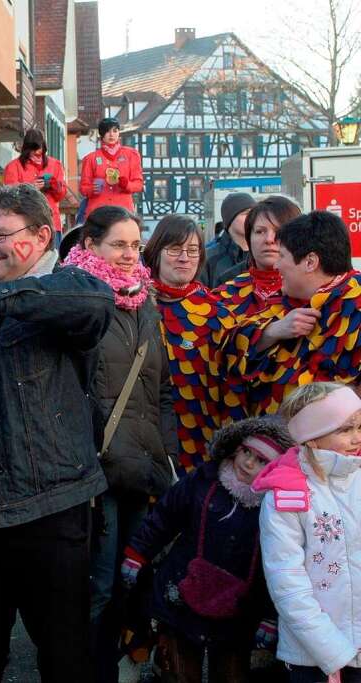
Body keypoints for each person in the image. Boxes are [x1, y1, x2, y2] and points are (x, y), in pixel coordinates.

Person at [0, 184, 115, 682]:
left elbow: (95, 306)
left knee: (63, 653)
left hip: (50, 508)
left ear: (39, 236)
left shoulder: (67, 285)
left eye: (0, 235)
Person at [63, 205, 177, 682]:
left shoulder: (143, 300)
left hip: (142, 463)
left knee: (136, 574)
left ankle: (129, 659)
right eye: (118, 244)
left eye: (135, 244)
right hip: (97, 467)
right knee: (101, 583)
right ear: (90, 246)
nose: (130, 255)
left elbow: (162, 389)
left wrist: (164, 450)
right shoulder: (75, 299)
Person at [121, 417, 291, 683]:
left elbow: (280, 566)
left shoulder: (277, 507)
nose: (248, 463)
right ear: (235, 447)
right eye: (247, 452)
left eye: (261, 461)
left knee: (231, 674)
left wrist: (270, 616)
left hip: (238, 609)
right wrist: (138, 552)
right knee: (178, 672)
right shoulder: (205, 480)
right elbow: (165, 515)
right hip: (182, 594)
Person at [253, 382, 361, 681]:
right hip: (315, 656)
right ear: (313, 438)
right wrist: (332, 653)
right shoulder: (286, 495)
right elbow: (287, 583)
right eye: (345, 429)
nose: (357, 438)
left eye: (359, 426)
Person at [224, 211, 361, 418]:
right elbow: (231, 352)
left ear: (310, 262)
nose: (276, 265)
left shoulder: (354, 304)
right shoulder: (285, 299)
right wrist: (271, 333)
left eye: (282, 256)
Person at [144, 216, 234, 471]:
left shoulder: (217, 312)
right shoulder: (136, 305)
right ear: (156, 252)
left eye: (192, 250)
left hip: (201, 440)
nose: (185, 258)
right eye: (174, 249)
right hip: (148, 440)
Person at [213, 195, 302, 320]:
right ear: (249, 238)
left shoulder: (314, 289)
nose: (269, 240)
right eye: (260, 231)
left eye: (279, 231)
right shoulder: (225, 292)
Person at [3, 129, 68, 237]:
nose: (37, 152)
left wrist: (53, 185)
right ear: (26, 148)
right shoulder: (13, 166)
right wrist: (30, 187)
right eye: (33, 148)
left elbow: (61, 195)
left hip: (51, 222)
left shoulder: (55, 165)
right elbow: (8, 195)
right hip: (24, 224)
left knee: (53, 254)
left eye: (39, 147)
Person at [80, 117, 144, 216]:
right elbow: (83, 188)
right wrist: (93, 189)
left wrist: (126, 184)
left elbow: (138, 184)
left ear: (119, 133)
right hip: (98, 212)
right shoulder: (90, 159)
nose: (111, 135)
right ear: (101, 134)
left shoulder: (131, 155)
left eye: (115, 131)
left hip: (123, 211)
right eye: (107, 131)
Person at [202, 193, 255, 288]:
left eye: (254, 213)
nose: (252, 218)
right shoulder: (208, 258)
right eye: (246, 213)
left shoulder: (262, 254)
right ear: (230, 219)